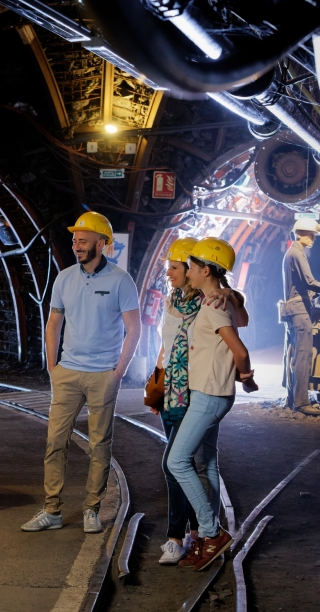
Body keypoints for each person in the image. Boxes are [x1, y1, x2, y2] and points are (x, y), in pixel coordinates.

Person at [21, 211, 141, 534]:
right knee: (55, 442)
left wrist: (119, 372)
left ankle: (92, 509)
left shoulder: (121, 281)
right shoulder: (64, 278)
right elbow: (53, 324)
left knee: (99, 446)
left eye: (83, 241)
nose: (76, 245)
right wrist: (53, 367)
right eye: (75, 240)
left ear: (101, 244)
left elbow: (134, 328)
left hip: (104, 375)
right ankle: (52, 510)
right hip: (68, 373)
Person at [153, 238, 249, 566]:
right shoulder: (186, 300)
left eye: (182, 267)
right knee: (205, 462)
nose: (173, 273)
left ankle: (204, 532)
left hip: (203, 392)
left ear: (201, 269)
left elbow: (239, 340)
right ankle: (202, 536)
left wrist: (246, 375)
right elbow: (169, 346)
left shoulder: (209, 303)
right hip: (189, 391)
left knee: (177, 462)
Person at [281, 217, 320, 415]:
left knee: (296, 356)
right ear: (301, 234)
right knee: (303, 356)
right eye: (311, 235)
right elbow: (309, 281)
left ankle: (294, 398)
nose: (313, 239)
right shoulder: (297, 253)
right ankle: (302, 402)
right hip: (299, 310)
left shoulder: (293, 252)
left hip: (295, 309)